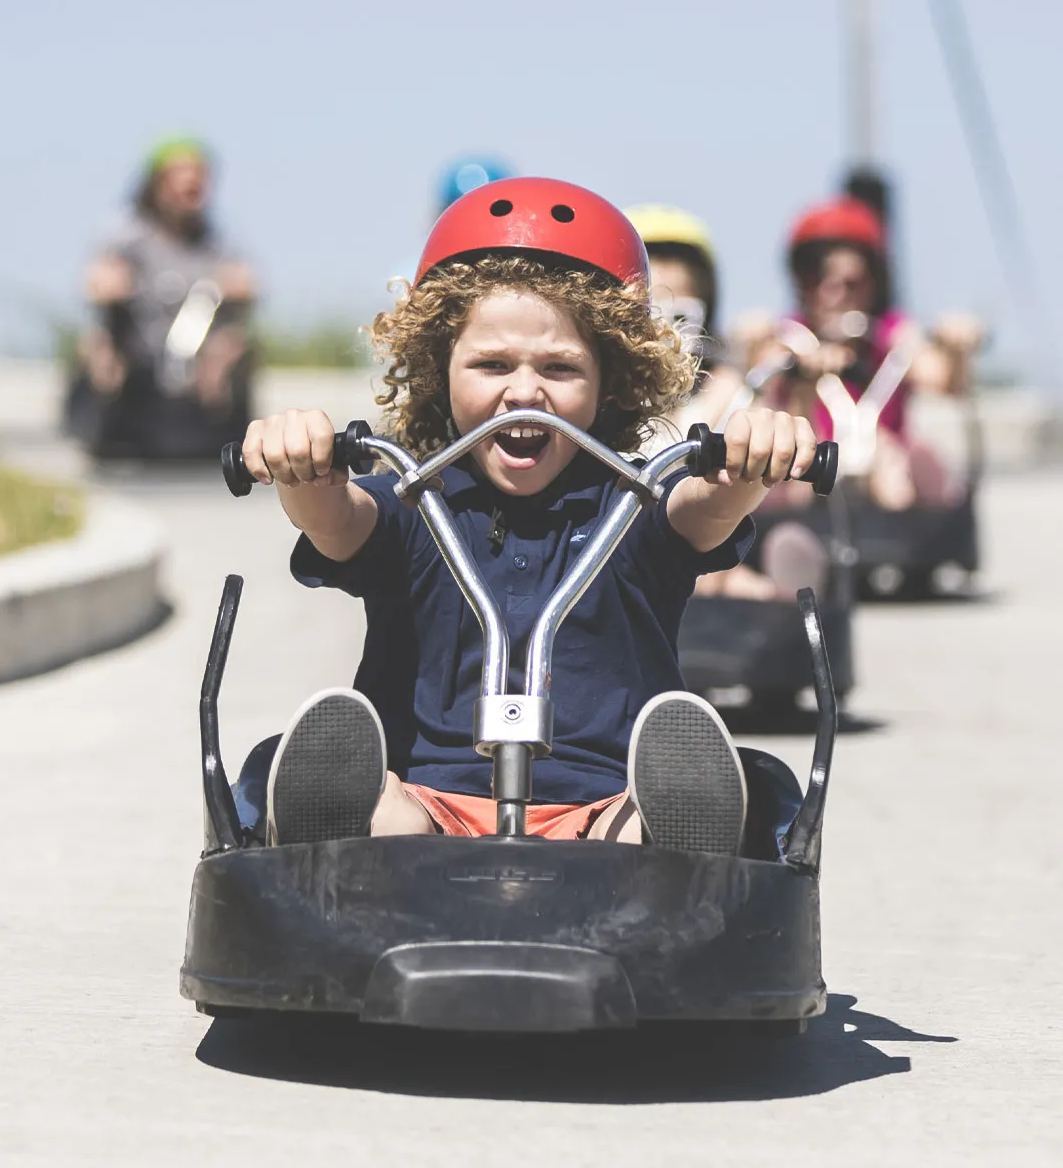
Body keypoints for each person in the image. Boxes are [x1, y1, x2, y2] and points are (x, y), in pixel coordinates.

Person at [232, 177, 821, 854]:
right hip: (426, 812)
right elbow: (336, 521)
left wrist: (748, 463)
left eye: (560, 368)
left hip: (600, 814)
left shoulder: (634, 507)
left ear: (612, 378)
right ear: (437, 368)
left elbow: (704, 509)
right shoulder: (414, 503)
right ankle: (326, 835)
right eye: (492, 364)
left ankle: (685, 831)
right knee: (383, 809)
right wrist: (300, 463)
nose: (524, 393)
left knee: (636, 829)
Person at [626, 203, 829, 600]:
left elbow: (790, 489)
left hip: (704, 543)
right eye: (651, 314)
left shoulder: (725, 387)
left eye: (681, 315)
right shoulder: (599, 394)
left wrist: (795, 388)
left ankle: (777, 596)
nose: (666, 330)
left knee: (720, 564)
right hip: (621, 549)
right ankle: (768, 597)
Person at [739, 195, 985, 511]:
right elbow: (758, 375)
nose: (833, 294)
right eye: (818, 279)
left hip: (881, 471)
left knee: (905, 461)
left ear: (873, 283)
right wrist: (763, 348)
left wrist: (955, 349)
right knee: (787, 458)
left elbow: (942, 380)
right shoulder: (789, 334)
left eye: (851, 283)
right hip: (806, 471)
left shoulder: (890, 334)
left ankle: (899, 548)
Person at [72, 136, 256, 455]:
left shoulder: (215, 241)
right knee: (97, 346)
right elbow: (97, 281)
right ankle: (104, 430)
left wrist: (236, 287)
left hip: (194, 356)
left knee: (238, 345)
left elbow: (244, 280)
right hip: (139, 354)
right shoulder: (128, 234)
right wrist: (113, 283)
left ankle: (222, 428)